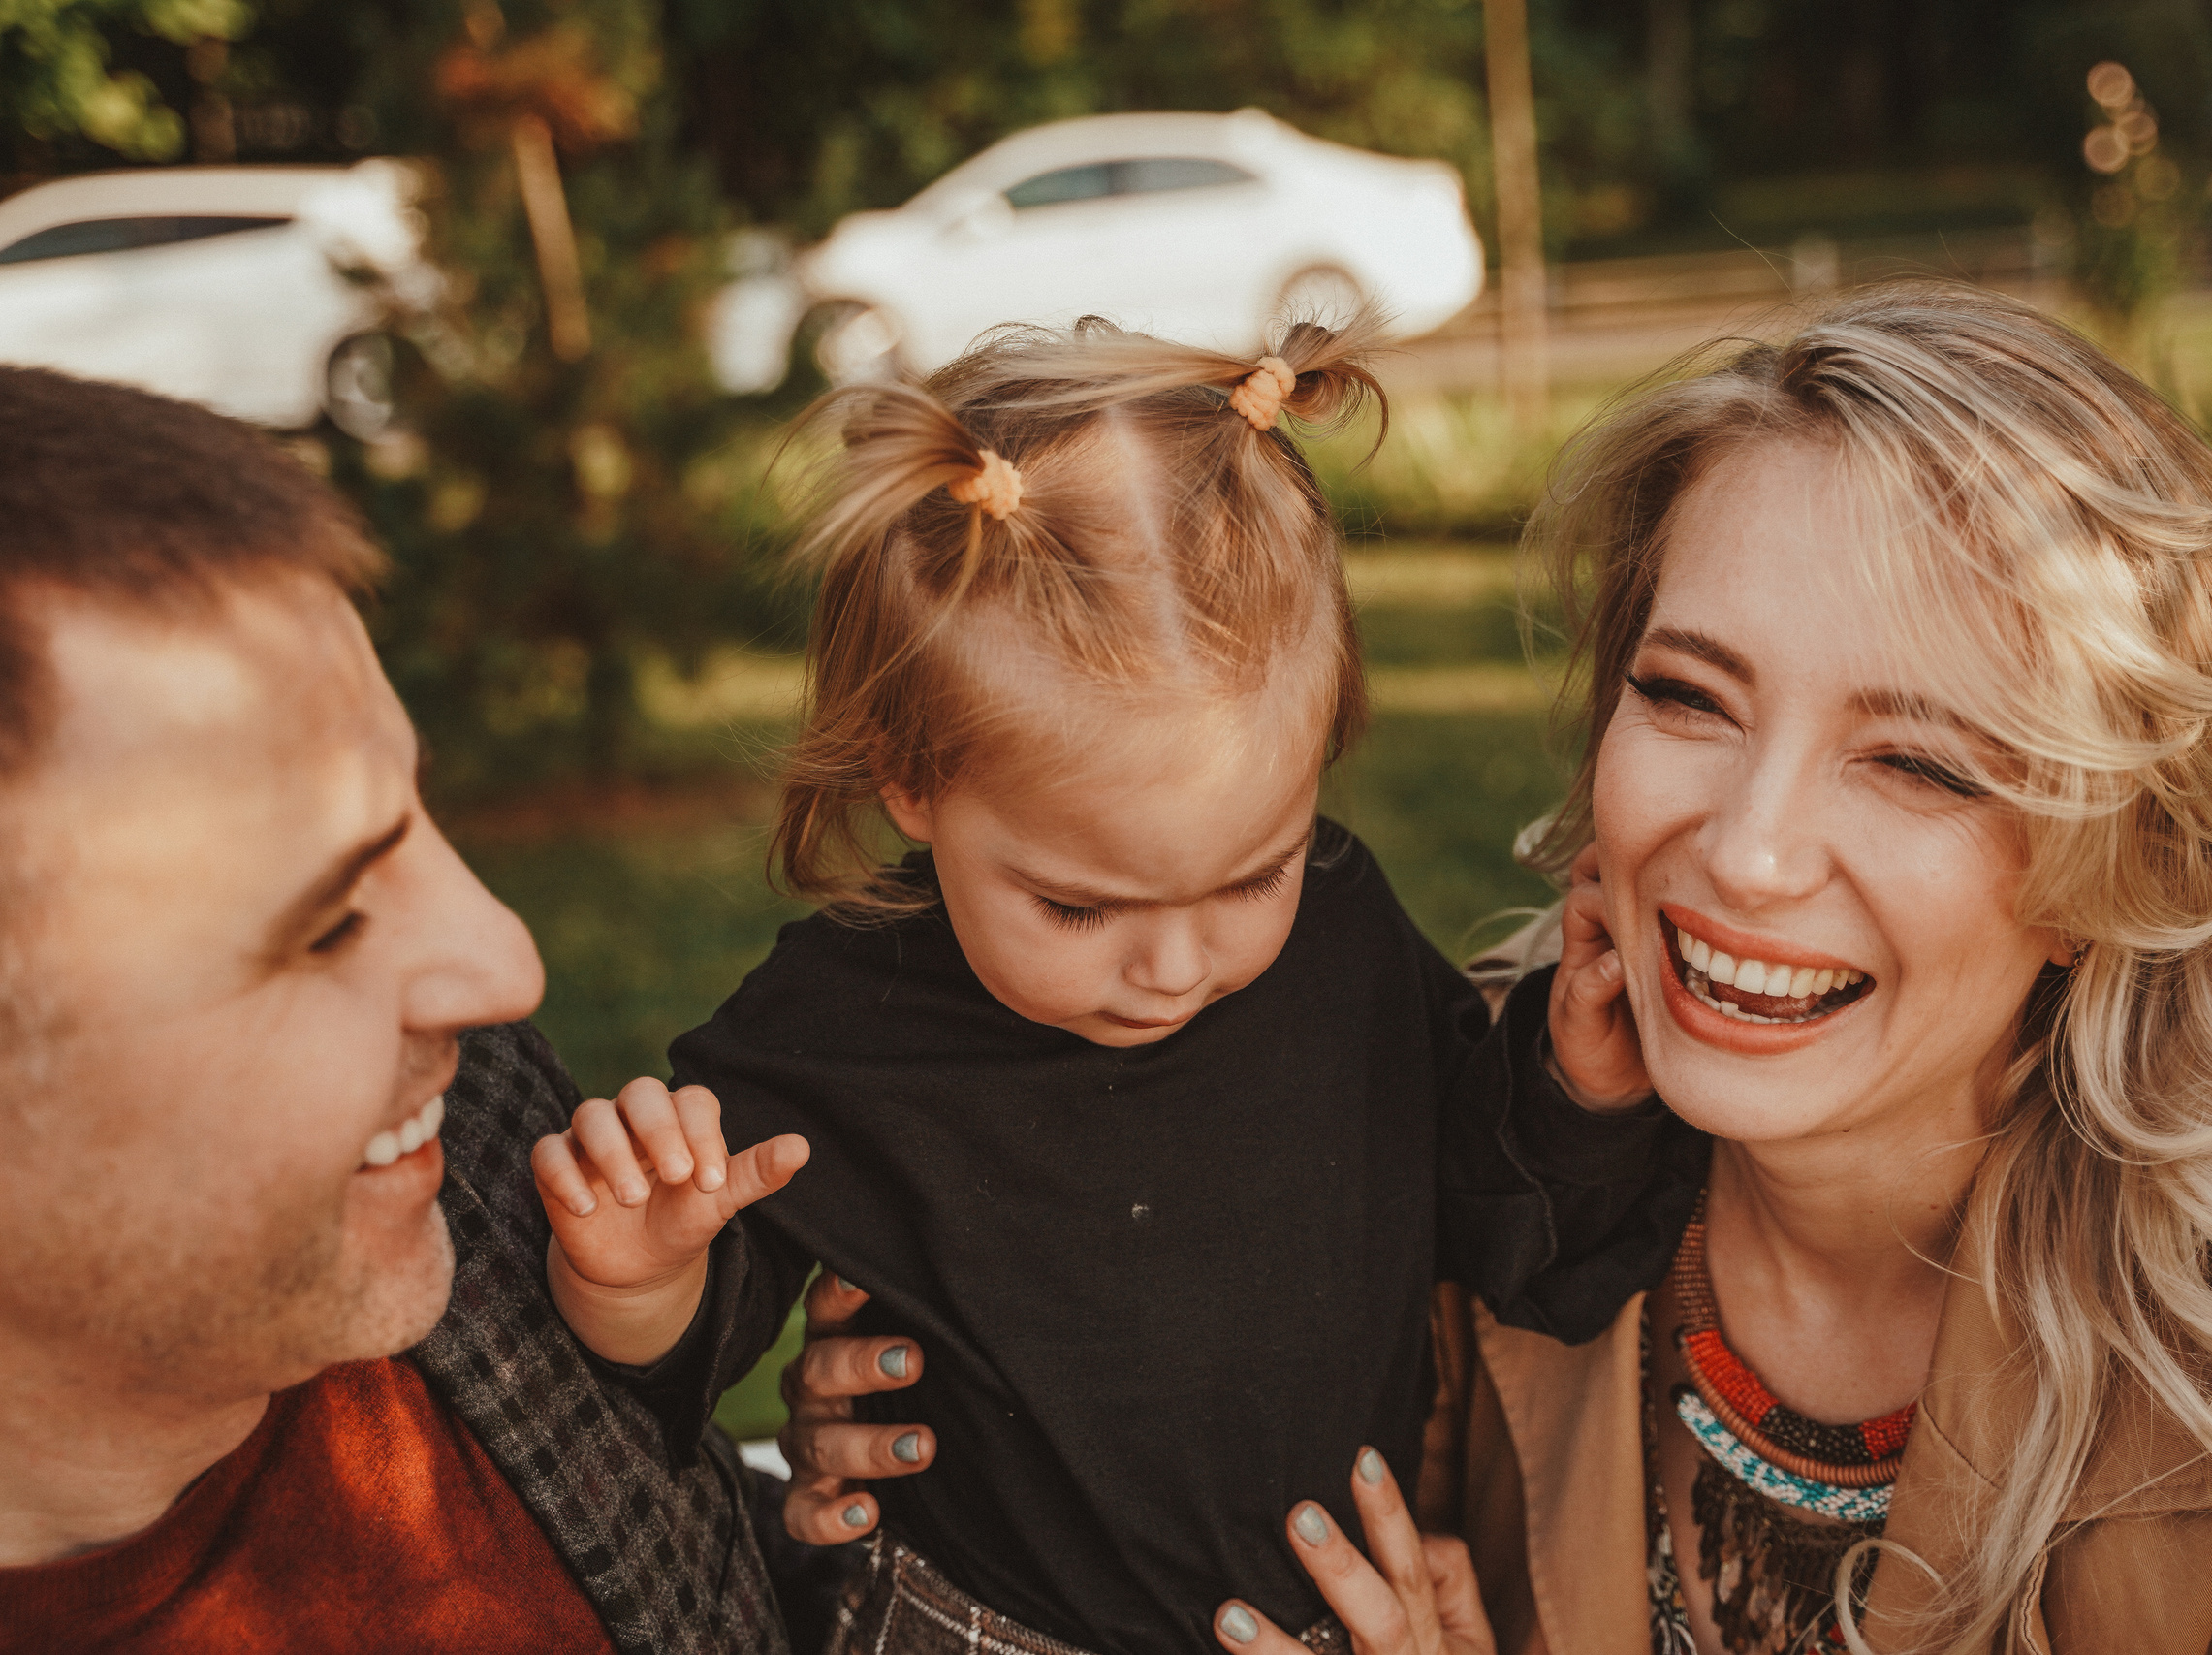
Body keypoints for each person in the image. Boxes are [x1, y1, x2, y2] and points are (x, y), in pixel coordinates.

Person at [960, 283, 2212, 1654]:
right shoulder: (1436, 1116)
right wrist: (910, 1440)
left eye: (1919, 765)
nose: (1748, 854)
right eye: (1690, 695)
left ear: (2118, 863)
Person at [526, 317, 1638, 1655]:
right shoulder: (843, 1027)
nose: (1176, 967)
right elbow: (688, 1358)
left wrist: (1576, 1095)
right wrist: (640, 1281)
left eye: (1253, 876)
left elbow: (1495, 1215)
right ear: (911, 776)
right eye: (1079, 906)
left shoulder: (1343, 930)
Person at [0, 365, 857, 1653]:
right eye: (330, 921)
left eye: (419, 819)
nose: (503, 967)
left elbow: (717, 1580)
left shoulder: (475, 1155)